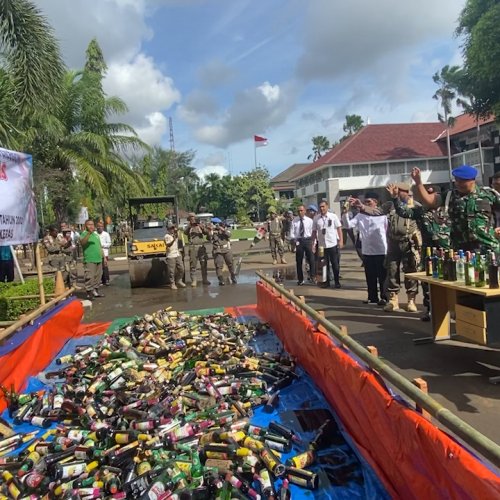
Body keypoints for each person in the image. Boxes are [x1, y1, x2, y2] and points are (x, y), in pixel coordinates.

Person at [386, 182, 450, 321]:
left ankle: (452, 310)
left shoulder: (450, 210)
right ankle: (430, 310)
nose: (427, 197)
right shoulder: (421, 211)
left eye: (431, 194)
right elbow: (403, 211)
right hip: (428, 252)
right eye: (426, 194)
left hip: (447, 252)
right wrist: (395, 198)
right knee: (428, 284)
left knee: (449, 282)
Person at [411, 165, 500, 252]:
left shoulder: (488, 195)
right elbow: (429, 201)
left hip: (488, 247)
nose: (458, 184)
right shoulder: (450, 195)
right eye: (456, 181)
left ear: (472, 180)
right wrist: (418, 182)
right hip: (461, 250)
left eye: (462, 181)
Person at [381, 183, 421, 313]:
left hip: (409, 243)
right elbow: (376, 211)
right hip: (393, 243)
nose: (396, 193)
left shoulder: (415, 205)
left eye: (398, 191)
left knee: (410, 271)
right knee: (392, 270)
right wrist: (362, 207)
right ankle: (393, 301)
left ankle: (411, 300)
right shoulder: (389, 205)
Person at [345, 192, 388, 305]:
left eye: (369, 202)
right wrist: (345, 212)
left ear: (375, 202)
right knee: (370, 275)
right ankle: (372, 297)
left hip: (381, 250)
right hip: (367, 250)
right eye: (365, 202)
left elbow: (387, 231)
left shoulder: (382, 215)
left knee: (382, 276)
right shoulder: (361, 215)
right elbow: (348, 225)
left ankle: (385, 297)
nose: (366, 204)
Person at [312, 200, 343, 288]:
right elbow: (314, 232)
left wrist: (341, 241)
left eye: (323, 206)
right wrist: (313, 244)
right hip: (321, 246)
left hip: (332, 244)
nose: (322, 208)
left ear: (327, 207)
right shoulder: (316, 218)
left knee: (335, 264)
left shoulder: (333, 216)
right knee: (323, 264)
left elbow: (339, 229)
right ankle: (326, 282)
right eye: (320, 207)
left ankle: (337, 281)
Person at [184, 213, 211, 287]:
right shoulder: (188, 226)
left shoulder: (200, 225)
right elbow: (185, 232)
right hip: (193, 247)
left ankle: (205, 279)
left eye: (194, 217)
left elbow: (207, 233)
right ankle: (194, 280)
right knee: (193, 265)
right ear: (189, 218)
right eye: (191, 217)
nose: (193, 218)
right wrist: (190, 225)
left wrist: (202, 227)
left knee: (203, 263)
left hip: (201, 247)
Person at [80, 219, 104, 300]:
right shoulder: (84, 234)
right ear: (85, 226)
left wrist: (104, 257)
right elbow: (82, 243)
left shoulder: (96, 235)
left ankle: (96, 291)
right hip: (90, 259)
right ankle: (89, 293)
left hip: (98, 259)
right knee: (90, 276)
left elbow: (100, 246)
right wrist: (89, 234)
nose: (91, 226)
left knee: (98, 276)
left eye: (92, 224)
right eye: (89, 224)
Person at [291, 205, 315, 285]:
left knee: (311, 259)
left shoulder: (309, 221)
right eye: (298, 211)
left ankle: (312, 277)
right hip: (299, 241)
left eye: (301, 210)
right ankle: (300, 279)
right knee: (299, 261)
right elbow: (292, 233)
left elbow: (313, 232)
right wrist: (294, 241)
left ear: (305, 211)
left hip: (308, 240)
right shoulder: (294, 221)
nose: (300, 212)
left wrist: (314, 243)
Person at [209, 222, 237, 286]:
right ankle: (221, 279)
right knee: (219, 265)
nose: (219, 227)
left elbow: (229, 235)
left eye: (221, 226)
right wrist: (211, 230)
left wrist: (223, 230)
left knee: (230, 263)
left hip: (226, 249)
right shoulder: (214, 231)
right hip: (218, 250)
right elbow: (209, 237)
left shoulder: (226, 230)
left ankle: (233, 276)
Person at [164, 223, 186, 289]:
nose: (172, 230)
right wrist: (173, 239)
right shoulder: (167, 236)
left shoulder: (176, 234)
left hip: (177, 253)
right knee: (171, 271)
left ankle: (179, 280)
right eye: (171, 228)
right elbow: (168, 245)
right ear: (168, 229)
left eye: (173, 228)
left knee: (182, 269)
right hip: (171, 255)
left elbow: (181, 242)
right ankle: (172, 283)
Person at [96, 221, 111, 286]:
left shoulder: (106, 234)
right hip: (97, 253)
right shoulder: (95, 234)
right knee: (98, 267)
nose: (100, 228)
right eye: (98, 226)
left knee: (105, 267)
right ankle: (101, 280)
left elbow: (109, 243)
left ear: (103, 227)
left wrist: (102, 245)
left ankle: (106, 280)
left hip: (104, 253)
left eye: (101, 226)